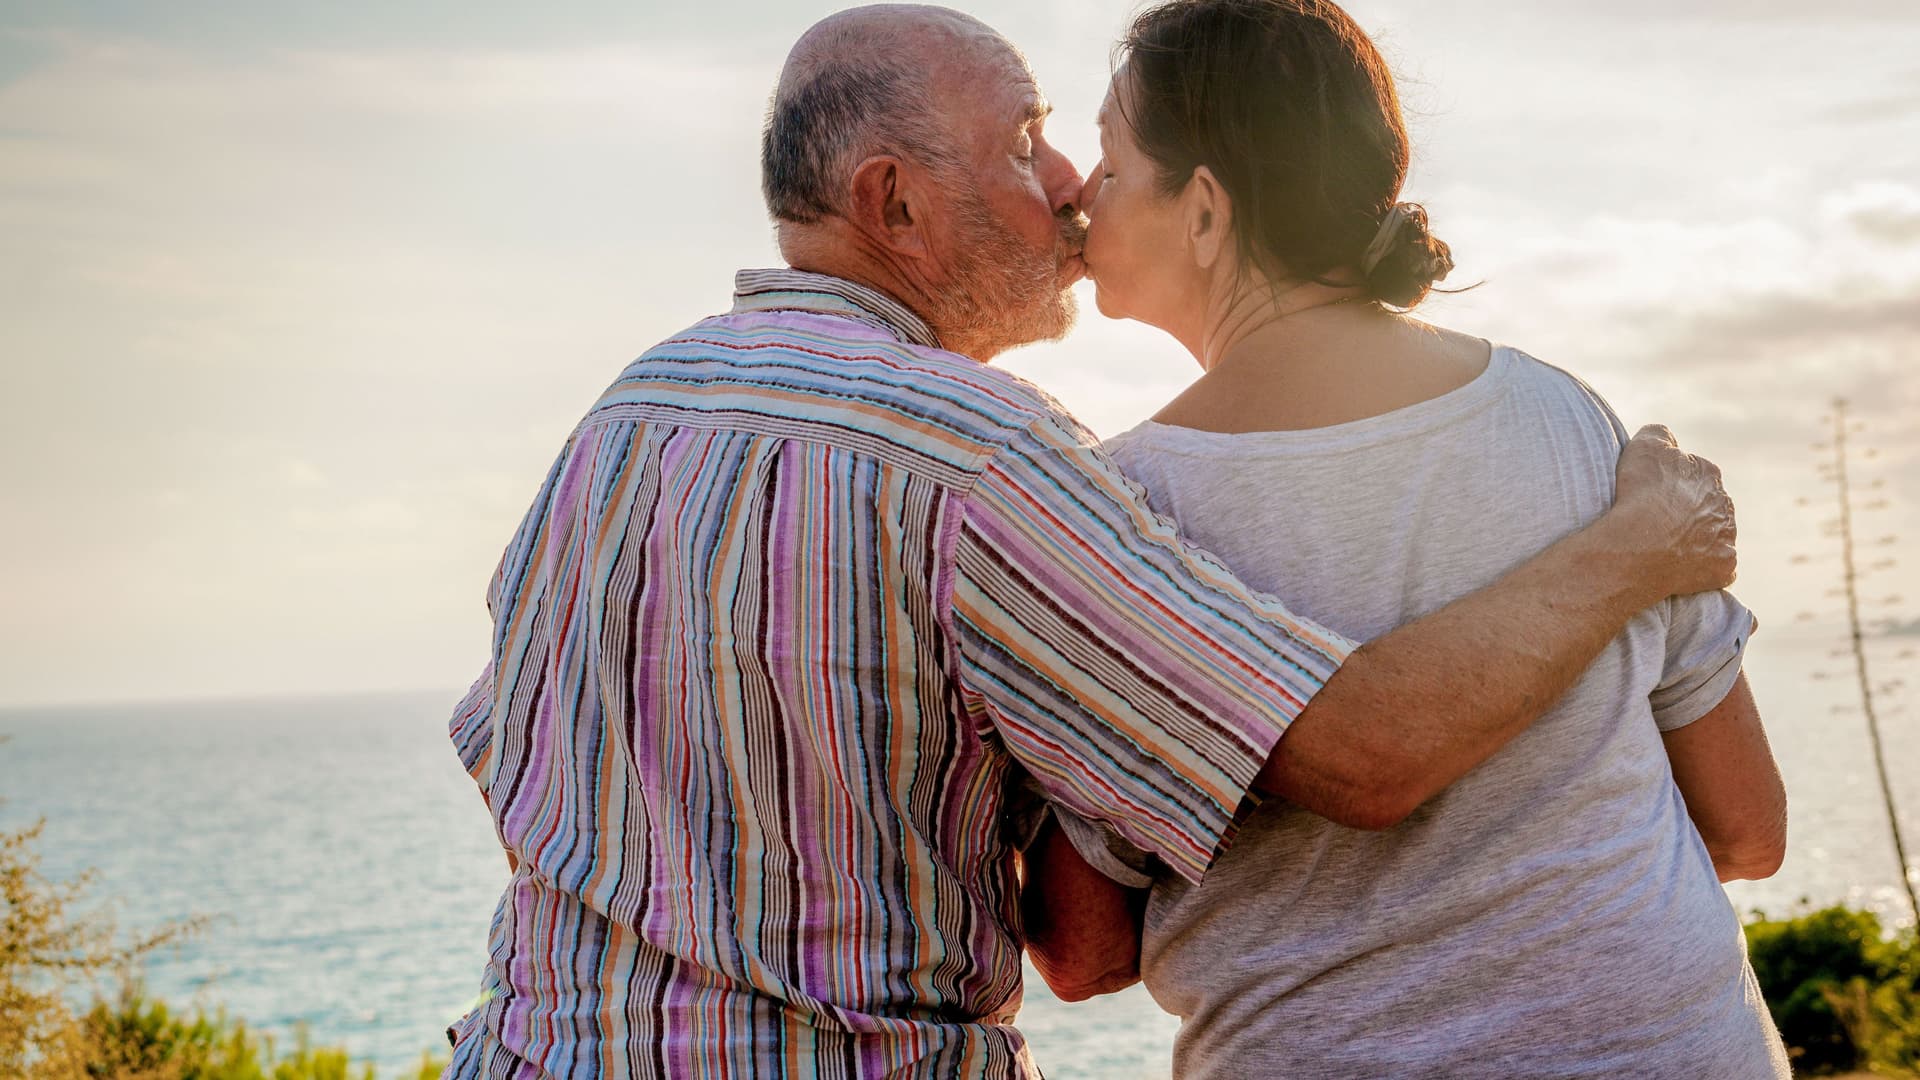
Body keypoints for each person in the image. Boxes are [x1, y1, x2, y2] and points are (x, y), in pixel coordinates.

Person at [442, 5, 1739, 1077]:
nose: (1067, 188)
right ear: (892, 202)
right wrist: (1637, 543)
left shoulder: (636, 406)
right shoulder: (977, 449)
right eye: (1023, 146)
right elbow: (1356, 753)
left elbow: (516, 771)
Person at [1018, 1, 1790, 1077]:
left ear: (1204, 210)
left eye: (1108, 161)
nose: (1081, 198)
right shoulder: (1566, 418)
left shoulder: (1126, 506)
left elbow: (1084, 949)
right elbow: (1749, 829)